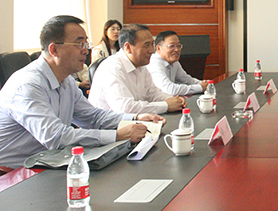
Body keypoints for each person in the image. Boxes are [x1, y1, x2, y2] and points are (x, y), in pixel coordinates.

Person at [0, 16, 165, 169]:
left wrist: (135, 118)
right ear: (54, 50)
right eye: (79, 44)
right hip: (13, 174)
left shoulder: (66, 80)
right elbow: (56, 137)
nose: (86, 51)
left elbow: (92, 117)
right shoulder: (28, 85)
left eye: (86, 44)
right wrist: (117, 135)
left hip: (49, 162)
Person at [88, 23, 187, 114]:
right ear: (128, 47)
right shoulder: (112, 67)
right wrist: (166, 105)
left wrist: (173, 100)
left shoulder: (140, 66)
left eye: (152, 44)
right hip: (109, 126)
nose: (151, 50)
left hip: (131, 122)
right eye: (146, 45)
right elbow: (125, 108)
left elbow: (152, 93)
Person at [147, 30, 209, 96]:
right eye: (171, 46)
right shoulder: (154, 63)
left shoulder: (174, 62)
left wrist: (205, 84)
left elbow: (187, 80)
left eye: (178, 46)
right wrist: (200, 87)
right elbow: (169, 90)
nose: (177, 50)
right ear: (158, 48)